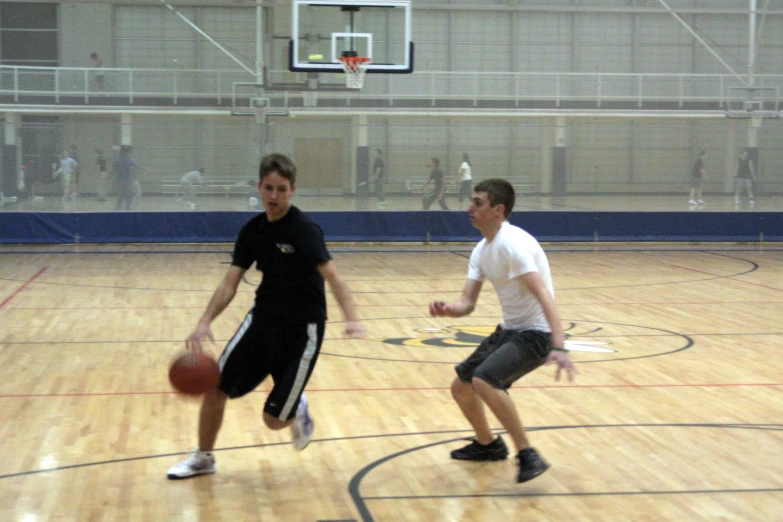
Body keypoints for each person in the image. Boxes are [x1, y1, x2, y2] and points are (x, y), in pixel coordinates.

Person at [167, 153, 364, 480]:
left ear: (292, 190)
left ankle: (296, 406)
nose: (274, 196)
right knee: (216, 387)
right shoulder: (252, 231)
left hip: (303, 332)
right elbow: (230, 282)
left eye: (282, 189)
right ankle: (203, 458)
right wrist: (205, 322)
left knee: (273, 421)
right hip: (261, 324)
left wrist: (351, 318)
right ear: (259, 187)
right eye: (269, 188)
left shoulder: (304, 230)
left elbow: (334, 278)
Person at [428, 178, 577, 484]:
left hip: (537, 334)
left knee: (485, 379)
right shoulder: (482, 249)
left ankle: (527, 454)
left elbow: (543, 294)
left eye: (478, 203)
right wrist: (449, 309)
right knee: (461, 386)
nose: (470, 208)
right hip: (510, 329)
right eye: (471, 201)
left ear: (498, 210)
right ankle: (488, 445)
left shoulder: (513, 244)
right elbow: (467, 303)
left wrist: (559, 345)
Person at [112, 145, 152, 211]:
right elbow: (139, 166)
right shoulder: (125, 160)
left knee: (125, 194)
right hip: (128, 179)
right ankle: (125, 207)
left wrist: (148, 170)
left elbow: (138, 165)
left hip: (128, 179)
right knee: (126, 194)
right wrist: (148, 170)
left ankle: (123, 207)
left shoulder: (126, 159)